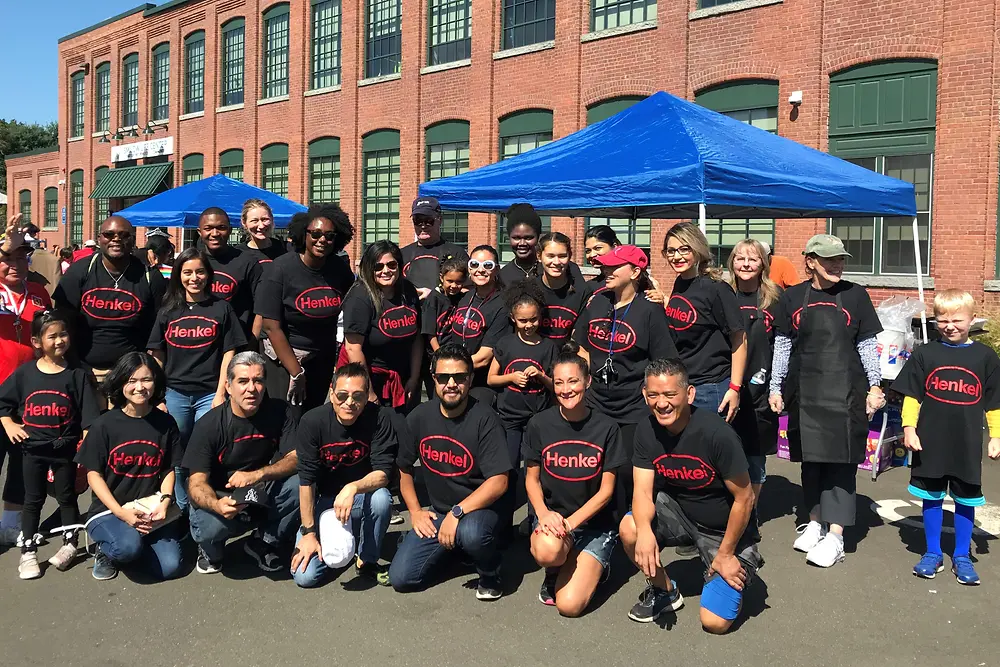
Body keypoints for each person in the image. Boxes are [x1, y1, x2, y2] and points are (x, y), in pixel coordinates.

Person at [768, 234, 884, 568]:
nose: (837, 265)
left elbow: (866, 345)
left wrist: (875, 386)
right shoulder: (791, 297)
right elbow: (783, 345)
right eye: (829, 259)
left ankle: (836, 536)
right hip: (805, 394)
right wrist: (776, 387)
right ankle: (815, 521)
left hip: (846, 393)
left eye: (841, 259)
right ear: (810, 261)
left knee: (842, 464)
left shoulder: (856, 295)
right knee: (812, 462)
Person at [621, 359, 761, 633]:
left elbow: (745, 498)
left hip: (725, 530)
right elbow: (642, 490)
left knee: (715, 623)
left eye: (670, 394)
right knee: (631, 528)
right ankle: (665, 591)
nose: (662, 403)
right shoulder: (646, 430)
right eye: (654, 395)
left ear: (689, 394)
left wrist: (726, 553)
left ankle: (726, 567)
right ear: (644, 394)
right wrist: (646, 533)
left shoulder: (717, 434)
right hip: (680, 513)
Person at [891, 289, 1000, 585]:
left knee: (966, 499)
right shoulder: (926, 354)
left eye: (957, 320)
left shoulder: (985, 357)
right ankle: (932, 552)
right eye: (943, 320)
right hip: (930, 440)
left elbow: (994, 402)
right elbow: (912, 395)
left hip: (966, 441)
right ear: (935, 320)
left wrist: (996, 436)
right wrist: (909, 428)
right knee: (932, 497)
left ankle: (962, 555)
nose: (950, 325)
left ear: (973, 319)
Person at [389, 344, 511, 599]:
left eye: (459, 377)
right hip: (441, 513)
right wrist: (415, 511)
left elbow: (499, 481)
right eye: (443, 377)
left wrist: (458, 512)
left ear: (470, 379)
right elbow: (404, 468)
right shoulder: (420, 416)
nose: (451, 384)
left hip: (481, 511)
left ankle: (490, 571)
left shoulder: (485, 418)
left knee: (472, 534)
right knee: (402, 578)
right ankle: (455, 549)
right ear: (433, 378)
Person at [573, 245, 676, 517]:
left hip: (633, 407)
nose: (605, 271)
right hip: (596, 402)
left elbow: (663, 360)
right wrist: (585, 376)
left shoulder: (649, 310)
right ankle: (602, 524)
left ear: (635, 271)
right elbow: (579, 344)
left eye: (613, 267)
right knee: (594, 467)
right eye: (604, 266)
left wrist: (656, 399)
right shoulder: (597, 301)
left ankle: (633, 526)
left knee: (627, 472)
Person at [524, 344, 624, 616]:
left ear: (588, 381)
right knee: (547, 552)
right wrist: (543, 514)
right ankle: (557, 566)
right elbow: (531, 479)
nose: (566, 389)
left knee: (568, 606)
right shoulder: (539, 424)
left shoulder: (607, 428)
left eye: (573, 381)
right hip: (553, 520)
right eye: (558, 382)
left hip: (593, 526)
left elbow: (606, 493)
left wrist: (569, 525)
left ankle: (598, 566)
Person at [0, 310, 100, 579]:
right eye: (52, 336)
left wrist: (85, 448)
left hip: (65, 450)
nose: (59, 341)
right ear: (36, 342)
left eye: (63, 334)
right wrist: (9, 423)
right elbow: (3, 403)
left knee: (67, 497)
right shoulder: (24, 375)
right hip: (32, 449)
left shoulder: (77, 375)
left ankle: (69, 543)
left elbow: (90, 417)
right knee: (33, 500)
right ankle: (28, 551)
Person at [146, 247, 247, 511]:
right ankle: (182, 506)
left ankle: (203, 507)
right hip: (175, 392)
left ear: (208, 274)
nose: (194, 278)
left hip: (208, 394)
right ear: (178, 275)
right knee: (178, 453)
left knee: (205, 453)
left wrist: (221, 392)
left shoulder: (221, 308)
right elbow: (156, 354)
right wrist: (158, 395)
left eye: (200, 271)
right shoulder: (168, 311)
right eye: (187, 272)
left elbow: (230, 351)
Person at [183, 352, 300, 574]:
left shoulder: (280, 411)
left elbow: (296, 458)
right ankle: (209, 550)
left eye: (258, 381)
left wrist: (258, 475)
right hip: (220, 497)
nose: (251, 388)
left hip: (259, 489)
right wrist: (217, 505)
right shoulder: (209, 425)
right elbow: (196, 483)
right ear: (228, 386)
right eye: (243, 381)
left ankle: (262, 541)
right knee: (210, 529)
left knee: (303, 483)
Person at [77, 351, 183, 582]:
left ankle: (132, 542)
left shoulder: (165, 423)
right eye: (132, 380)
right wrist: (121, 513)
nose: (140, 387)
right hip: (109, 511)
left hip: (149, 508)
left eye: (146, 379)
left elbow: (168, 468)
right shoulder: (104, 425)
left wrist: (165, 500)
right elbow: (93, 475)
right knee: (127, 549)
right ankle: (107, 550)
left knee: (171, 567)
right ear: (120, 382)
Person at [291, 363, 397, 588]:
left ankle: (366, 559)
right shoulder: (312, 422)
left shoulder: (380, 418)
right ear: (331, 393)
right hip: (325, 501)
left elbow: (383, 474)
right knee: (305, 577)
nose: (349, 402)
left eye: (358, 396)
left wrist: (352, 488)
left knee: (381, 499)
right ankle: (343, 542)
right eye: (342, 395)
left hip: (359, 498)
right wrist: (309, 533)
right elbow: (306, 481)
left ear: (367, 396)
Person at [255, 205, 355, 417]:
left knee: (313, 418)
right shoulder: (280, 269)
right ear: (303, 234)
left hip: (322, 358)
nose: (322, 240)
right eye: (316, 234)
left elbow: (356, 301)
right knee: (286, 421)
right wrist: (296, 372)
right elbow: (270, 326)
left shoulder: (339, 269)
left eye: (329, 236)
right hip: (285, 360)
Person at [54, 215, 167, 389]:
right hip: (84, 370)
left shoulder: (150, 277)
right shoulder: (80, 271)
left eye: (124, 235)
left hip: (131, 376)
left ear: (132, 239)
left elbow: (159, 328)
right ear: (99, 239)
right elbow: (61, 321)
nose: (116, 239)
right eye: (109, 234)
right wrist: (75, 366)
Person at [0, 216, 53, 546]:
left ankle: (10, 523)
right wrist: (5, 244)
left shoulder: (37, 293)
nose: (16, 264)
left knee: (22, 462)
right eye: (8, 258)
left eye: (22, 256)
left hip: (28, 393)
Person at [663, 222, 747, 422]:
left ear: (698, 249)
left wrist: (735, 388)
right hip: (685, 384)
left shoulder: (716, 289)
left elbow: (739, 339)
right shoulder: (681, 282)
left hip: (712, 388)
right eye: (671, 251)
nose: (677, 256)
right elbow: (689, 317)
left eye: (684, 249)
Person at [727, 239, 783, 505]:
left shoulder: (776, 298)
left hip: (761, 391)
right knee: (725, 452)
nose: (746, 264)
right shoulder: (723, 294)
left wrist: (777, 387)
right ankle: (726, 511)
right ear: (732, 262)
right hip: (726, 387)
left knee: (755, 457)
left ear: (763, 264)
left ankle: (750, 513)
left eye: (753, 259)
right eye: (740, 258)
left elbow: (785, 346)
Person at [342, 240, 423, 411]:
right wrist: (368, 392)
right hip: (371, 378)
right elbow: (353, 349)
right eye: (378, 267)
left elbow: (417, 338)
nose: (385, 271)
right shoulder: (360, 297)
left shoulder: (408, 290)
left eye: (391, 265)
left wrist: (414, 379)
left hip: (403, 377)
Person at [487, 281, 557, 469]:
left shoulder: (548, 347)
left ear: (540, 317)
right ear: (513, 318)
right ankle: (509, 497)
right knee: (509, 463)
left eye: (533, 319)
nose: (529, 325)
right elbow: (491, 379)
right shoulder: (505, 343)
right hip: (509, 416)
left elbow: (556, 387)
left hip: (537, 416)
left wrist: (541, 376)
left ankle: (533, 497)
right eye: (523, 320)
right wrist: (511, 377)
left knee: (534, 465)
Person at [442, 245, 510, 404]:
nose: (480, 269)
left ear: (496, 270)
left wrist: (449, 368)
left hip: (481, 383)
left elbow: (484, 358)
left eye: (487, 265)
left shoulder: (502, 305)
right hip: (456, 377)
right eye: (474, 264)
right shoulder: (465, 297)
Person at [196, 207, 262, 340]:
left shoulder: (248, 262)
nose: (215, 233)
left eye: (221, 227)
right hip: (199, 340)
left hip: (237, 341)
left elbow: (261, 309)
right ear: (200, 232)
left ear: (230, 230)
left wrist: (252, 342)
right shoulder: (192, 262)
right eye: (208, 228)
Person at [498, 204, 584, 285]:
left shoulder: (562, 268)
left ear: (538, 236)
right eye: (516, 238)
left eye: (528, 238)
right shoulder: (503, 276)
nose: (522, 243)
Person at [401, 196, 468, 299]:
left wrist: (436, 294)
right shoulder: (402, 254)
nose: (423, 226)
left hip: (445, 312)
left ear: (439, 220)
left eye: (429, 220)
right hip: (411, 313)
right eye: (418, 220)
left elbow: (468, 289)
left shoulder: (457, 253)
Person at [534, 232, 596, 342]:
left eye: (562, 256)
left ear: (570, 256)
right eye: (550, 256)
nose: (556, 262)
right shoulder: (529, 289)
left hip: (566, 356)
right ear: (539, 256)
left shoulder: (582, 292)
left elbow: (579, 338)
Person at [420, 256, 467, 396]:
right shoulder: (433, 299)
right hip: (435, 356)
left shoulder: (462, 298)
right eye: (450, 281)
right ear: (442, 278)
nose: (454, 286)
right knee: (437, 395)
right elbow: (429, 334)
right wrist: (439, 356)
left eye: (459, 282)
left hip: (455, 355)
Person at [237, 199, 287, 265]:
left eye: (264, 219)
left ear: (272, 219)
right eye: (255, 220)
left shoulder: (286, 249)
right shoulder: (237, 254)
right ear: (244, 223)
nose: (261, 226)